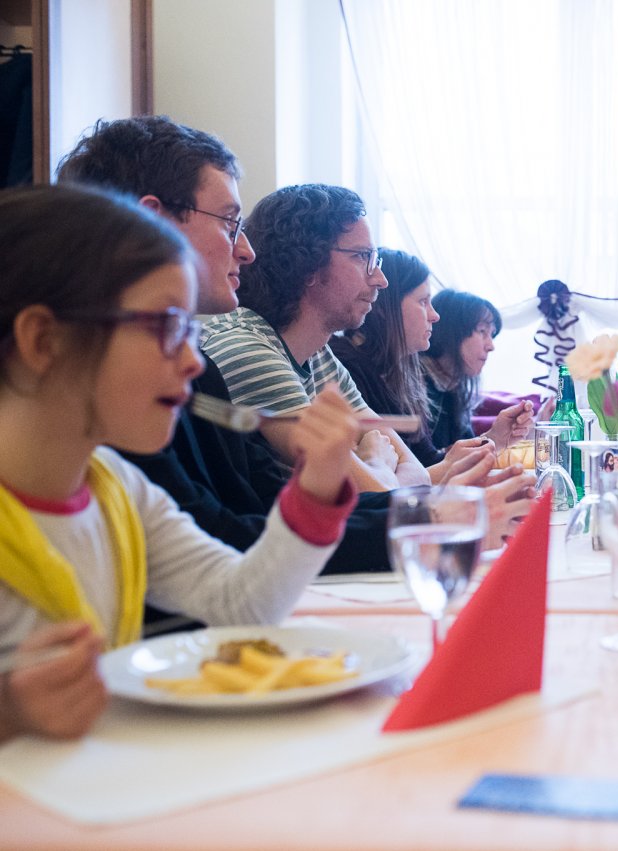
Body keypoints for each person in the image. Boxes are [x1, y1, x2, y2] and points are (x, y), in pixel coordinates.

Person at [0, 184, 361, 741]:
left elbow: (240, 603)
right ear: (45, 341)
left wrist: (316, 490)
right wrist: (10, 711)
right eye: (167, 326)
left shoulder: (118, 489)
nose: (194, 361)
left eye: (190, 331)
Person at [55, 116, 425, 578]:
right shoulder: (111, 383)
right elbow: (224, 542)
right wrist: (421, 518)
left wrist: (424, 512)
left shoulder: (201, 369)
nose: (246, 251)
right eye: (230, 223)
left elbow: (258, 509)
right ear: (154, 220)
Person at [201, 184, 433, 492]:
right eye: (362, 256)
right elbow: (376, 492)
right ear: (307, 265)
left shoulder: (317, 353)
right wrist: (375, 460)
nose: (380, 279)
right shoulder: (246, 350)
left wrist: (378, 469)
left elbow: (418, 477)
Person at [330, 249, 535, 545]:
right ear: (386, 306)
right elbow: (391, 487)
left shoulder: (397, 372)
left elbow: (425, 464)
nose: (434, 315)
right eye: (423, 302)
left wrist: (494, 439)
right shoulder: (350, 366)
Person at [422, 289, 533, 453]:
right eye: (482, 331)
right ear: (451, 332)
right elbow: (426, 462)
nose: (491, 346)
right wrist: (493, 438)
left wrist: (499, 437)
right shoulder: (416, 384)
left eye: (492, 334)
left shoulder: (453, 387)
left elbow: (461, 455)